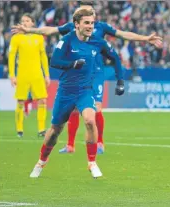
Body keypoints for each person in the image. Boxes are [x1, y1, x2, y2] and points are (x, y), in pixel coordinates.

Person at [12, 1, 163, 154]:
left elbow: (123, 34)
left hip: (96, 72)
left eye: (90, 12)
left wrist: (145, 38)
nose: (88, 15)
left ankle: (100, 143)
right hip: (77, 73)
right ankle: (70, 145)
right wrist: (29, 30)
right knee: (74, 110)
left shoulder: (101, 27)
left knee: (95, 109)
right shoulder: (73, 27)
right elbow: (50, 30)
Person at [29, 9, 124, 179]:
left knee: (89, 119)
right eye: (86, 23)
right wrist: (72, 64)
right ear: (77, 24)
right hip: (65, 92)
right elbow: (55, 61)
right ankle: (41, 162)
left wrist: (120, 80)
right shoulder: (66, 40)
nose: (90, 26)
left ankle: (92, 163)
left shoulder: (97, 42)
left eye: (92, 23)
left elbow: (115, 58)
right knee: (55, 131)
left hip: (84, 91)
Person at [8, 13, 50, 138]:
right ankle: (19, 129)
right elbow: (11, 57)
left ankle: (41, 129)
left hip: (37, 74)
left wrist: (46, 75)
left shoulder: (39, 37)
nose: (25, 22)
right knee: (20, 101)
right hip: (22, 74)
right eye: (23, 21)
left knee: (42, 100)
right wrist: (12, 75)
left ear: (32, 23)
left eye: (27, 20)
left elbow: (43, 57)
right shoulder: (16, 38)